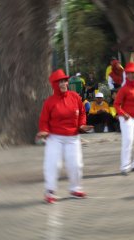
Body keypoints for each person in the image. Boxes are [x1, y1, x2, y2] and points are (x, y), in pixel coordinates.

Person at [37, 69, 93, 204]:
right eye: (60, 82)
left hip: (72, 137)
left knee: (76, 164)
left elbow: (82, 114)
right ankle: (50, 191)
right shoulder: (49, 102)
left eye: (64, 81)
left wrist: (82, 125)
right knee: (53, 164)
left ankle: (75, 189)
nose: (63, 84)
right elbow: (44, 121)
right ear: (54, 85)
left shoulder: (75, 97)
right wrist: (44, 131)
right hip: (54, 138)